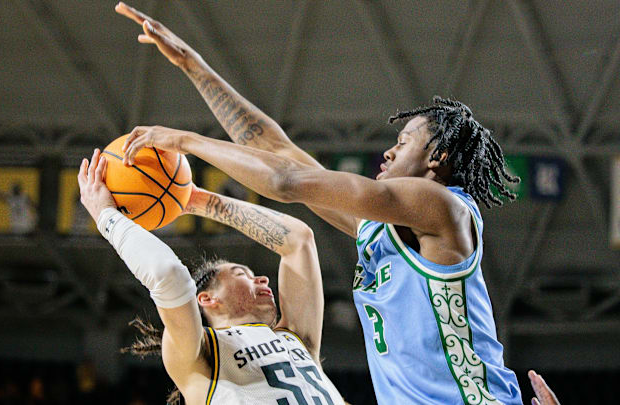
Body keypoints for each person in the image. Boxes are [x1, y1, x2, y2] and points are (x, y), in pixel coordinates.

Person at [116, 3, 522, 404]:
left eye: (402, 143)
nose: (389, 153)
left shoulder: (442, 207)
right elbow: (277, 149)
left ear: (438, 159)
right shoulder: (386, 229)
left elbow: (284, 180)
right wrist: (194, 66)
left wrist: (185, 141)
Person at [77, 149, 344, 405]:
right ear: (206, 298)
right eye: (242, 274)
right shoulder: (199, 353)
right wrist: (106, 217)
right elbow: (168, 275)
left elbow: (299, 240)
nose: (262, 279)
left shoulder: (295, 338)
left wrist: (196, 200)